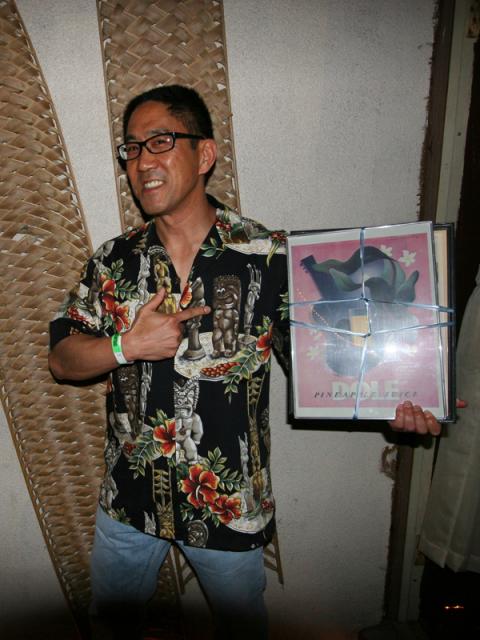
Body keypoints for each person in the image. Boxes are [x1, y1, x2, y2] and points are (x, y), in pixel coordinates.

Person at [48, 85, 441, 640]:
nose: (142, 161)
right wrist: (125, 346)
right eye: (131, 149)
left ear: (204, 154)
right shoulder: (113, 262)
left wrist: (399, 401)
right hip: (129, 502)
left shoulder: (269, 257)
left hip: (230, 505)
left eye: (160, 141)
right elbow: (63, 359)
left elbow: (329, 365)